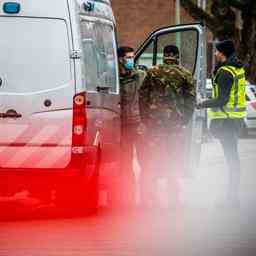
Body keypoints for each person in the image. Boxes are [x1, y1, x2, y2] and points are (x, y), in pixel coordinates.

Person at [139, 45, 195, 208]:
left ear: (164, 56)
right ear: (177, 56)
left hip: (155, 126)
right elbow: (191, 101)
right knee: (173, 161)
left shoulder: (152, 72)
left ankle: (148, 200)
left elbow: (143, 97)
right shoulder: (185, 74)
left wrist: (145, 120)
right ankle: (174, 201)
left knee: (153, 161)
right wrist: (184, 121)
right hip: (175, 127)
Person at [197, 39, 246, 207]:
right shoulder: (236, 68)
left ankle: (232, 199)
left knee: (232, 160)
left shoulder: (225, 72)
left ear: (223, 53)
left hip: (227, 121)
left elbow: (222, 100)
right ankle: (232, 198)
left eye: (218, 51)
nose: (216, 53)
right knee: (233, 160)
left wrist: (202, 103)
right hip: (234, 121)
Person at [117, 46, 146, 207]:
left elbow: (148, 99)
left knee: (145, 160)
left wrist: (146, 122)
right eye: (128, 57)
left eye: (132, 57)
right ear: (120, 59)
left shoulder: (141, 76)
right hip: (123, 126)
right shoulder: (113, 78)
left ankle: (146, 198)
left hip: (139, 124)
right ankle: (127, 198)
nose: (131, 60)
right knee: (125, 162)